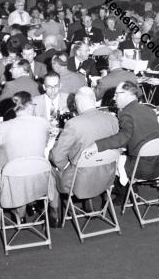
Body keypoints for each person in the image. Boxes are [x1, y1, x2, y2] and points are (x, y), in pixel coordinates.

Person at [0, 91, 50, 221]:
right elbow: (45, 143)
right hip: (41, 184)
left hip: (12, 187)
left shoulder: (2, 128)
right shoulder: (43, 123)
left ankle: (19, 213)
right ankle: (29, 204)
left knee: (1, 179)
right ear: (30, 106)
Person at [49, 87, 119, 225]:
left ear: (77, 104)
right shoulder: (112, 120)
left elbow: (57, 158)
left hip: (78, 181)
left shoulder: (74, 124)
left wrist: (64, 166)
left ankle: (54, 212)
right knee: (87, 161)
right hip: (107, 177)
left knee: (51, 166)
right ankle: (89, 200)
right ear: (94, 100)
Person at [85, 80, 159, 182]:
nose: (114, 98)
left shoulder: (126, 113)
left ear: (127, 94)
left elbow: (123, 138)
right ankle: (132, 194)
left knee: (110, 160)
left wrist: (96, 145)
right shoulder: (149, 109)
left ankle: (121, 196)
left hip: (143, 168)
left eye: (116, 94)